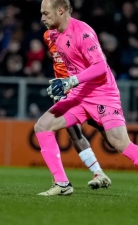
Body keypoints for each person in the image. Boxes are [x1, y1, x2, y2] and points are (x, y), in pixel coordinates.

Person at [34, 0, 138, 201]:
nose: (42, 18)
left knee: (119, 143)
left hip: (102, 95)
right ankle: (62, 183)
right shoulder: (54, 35)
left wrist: (70, 81)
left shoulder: (83, 33)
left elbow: (100, 67)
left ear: (61, 11)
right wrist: (63, 85)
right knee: (42, 126)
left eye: (46, 14)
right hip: (78, 95)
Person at [43, 29, 112, 189]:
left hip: (84, 89)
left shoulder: (77, 33)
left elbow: (95, 61)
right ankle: (98, 173)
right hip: (65, 91)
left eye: (47, 13)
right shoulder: (47, 36)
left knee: (112, 139)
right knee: (74, 133)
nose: (44, 18)